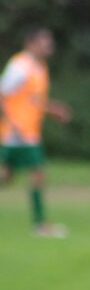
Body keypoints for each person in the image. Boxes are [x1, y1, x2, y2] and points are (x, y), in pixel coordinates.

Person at [1, 27, 71, 237]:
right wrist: (12, 122)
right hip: (18, 132)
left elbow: (33, 101)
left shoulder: (39, 68)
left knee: (6, 176)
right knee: (37, 172)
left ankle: (40, 224)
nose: (49, 46)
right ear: (30, 43)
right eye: (44, 42)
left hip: (27, 131)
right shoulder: (20, 66)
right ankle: (40, 225)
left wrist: (52, 110)